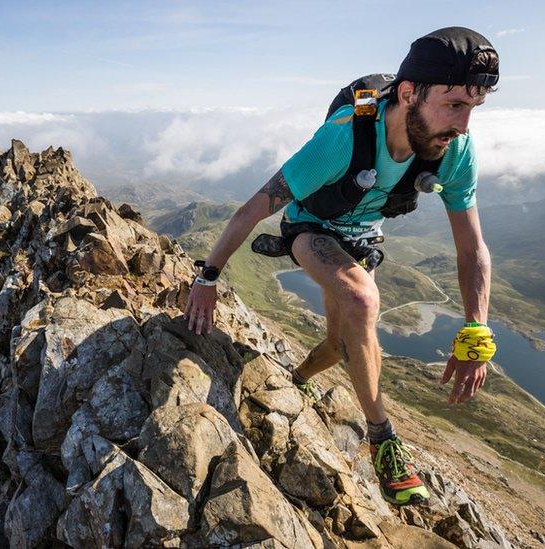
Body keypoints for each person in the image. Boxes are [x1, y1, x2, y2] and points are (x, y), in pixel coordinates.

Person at [184, 27, 500, 506]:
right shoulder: (342, 138)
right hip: (310, 229)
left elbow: (471, 246)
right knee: (362, 299)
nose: (463, 124)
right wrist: (206, 278)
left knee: (340, 344)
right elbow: (253, 209)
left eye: (474, 108)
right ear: (410, 93)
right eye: (454, 104)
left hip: (363, 239)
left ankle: (296, 382)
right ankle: (383, 439)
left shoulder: (454, 151)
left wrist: (477, 329)